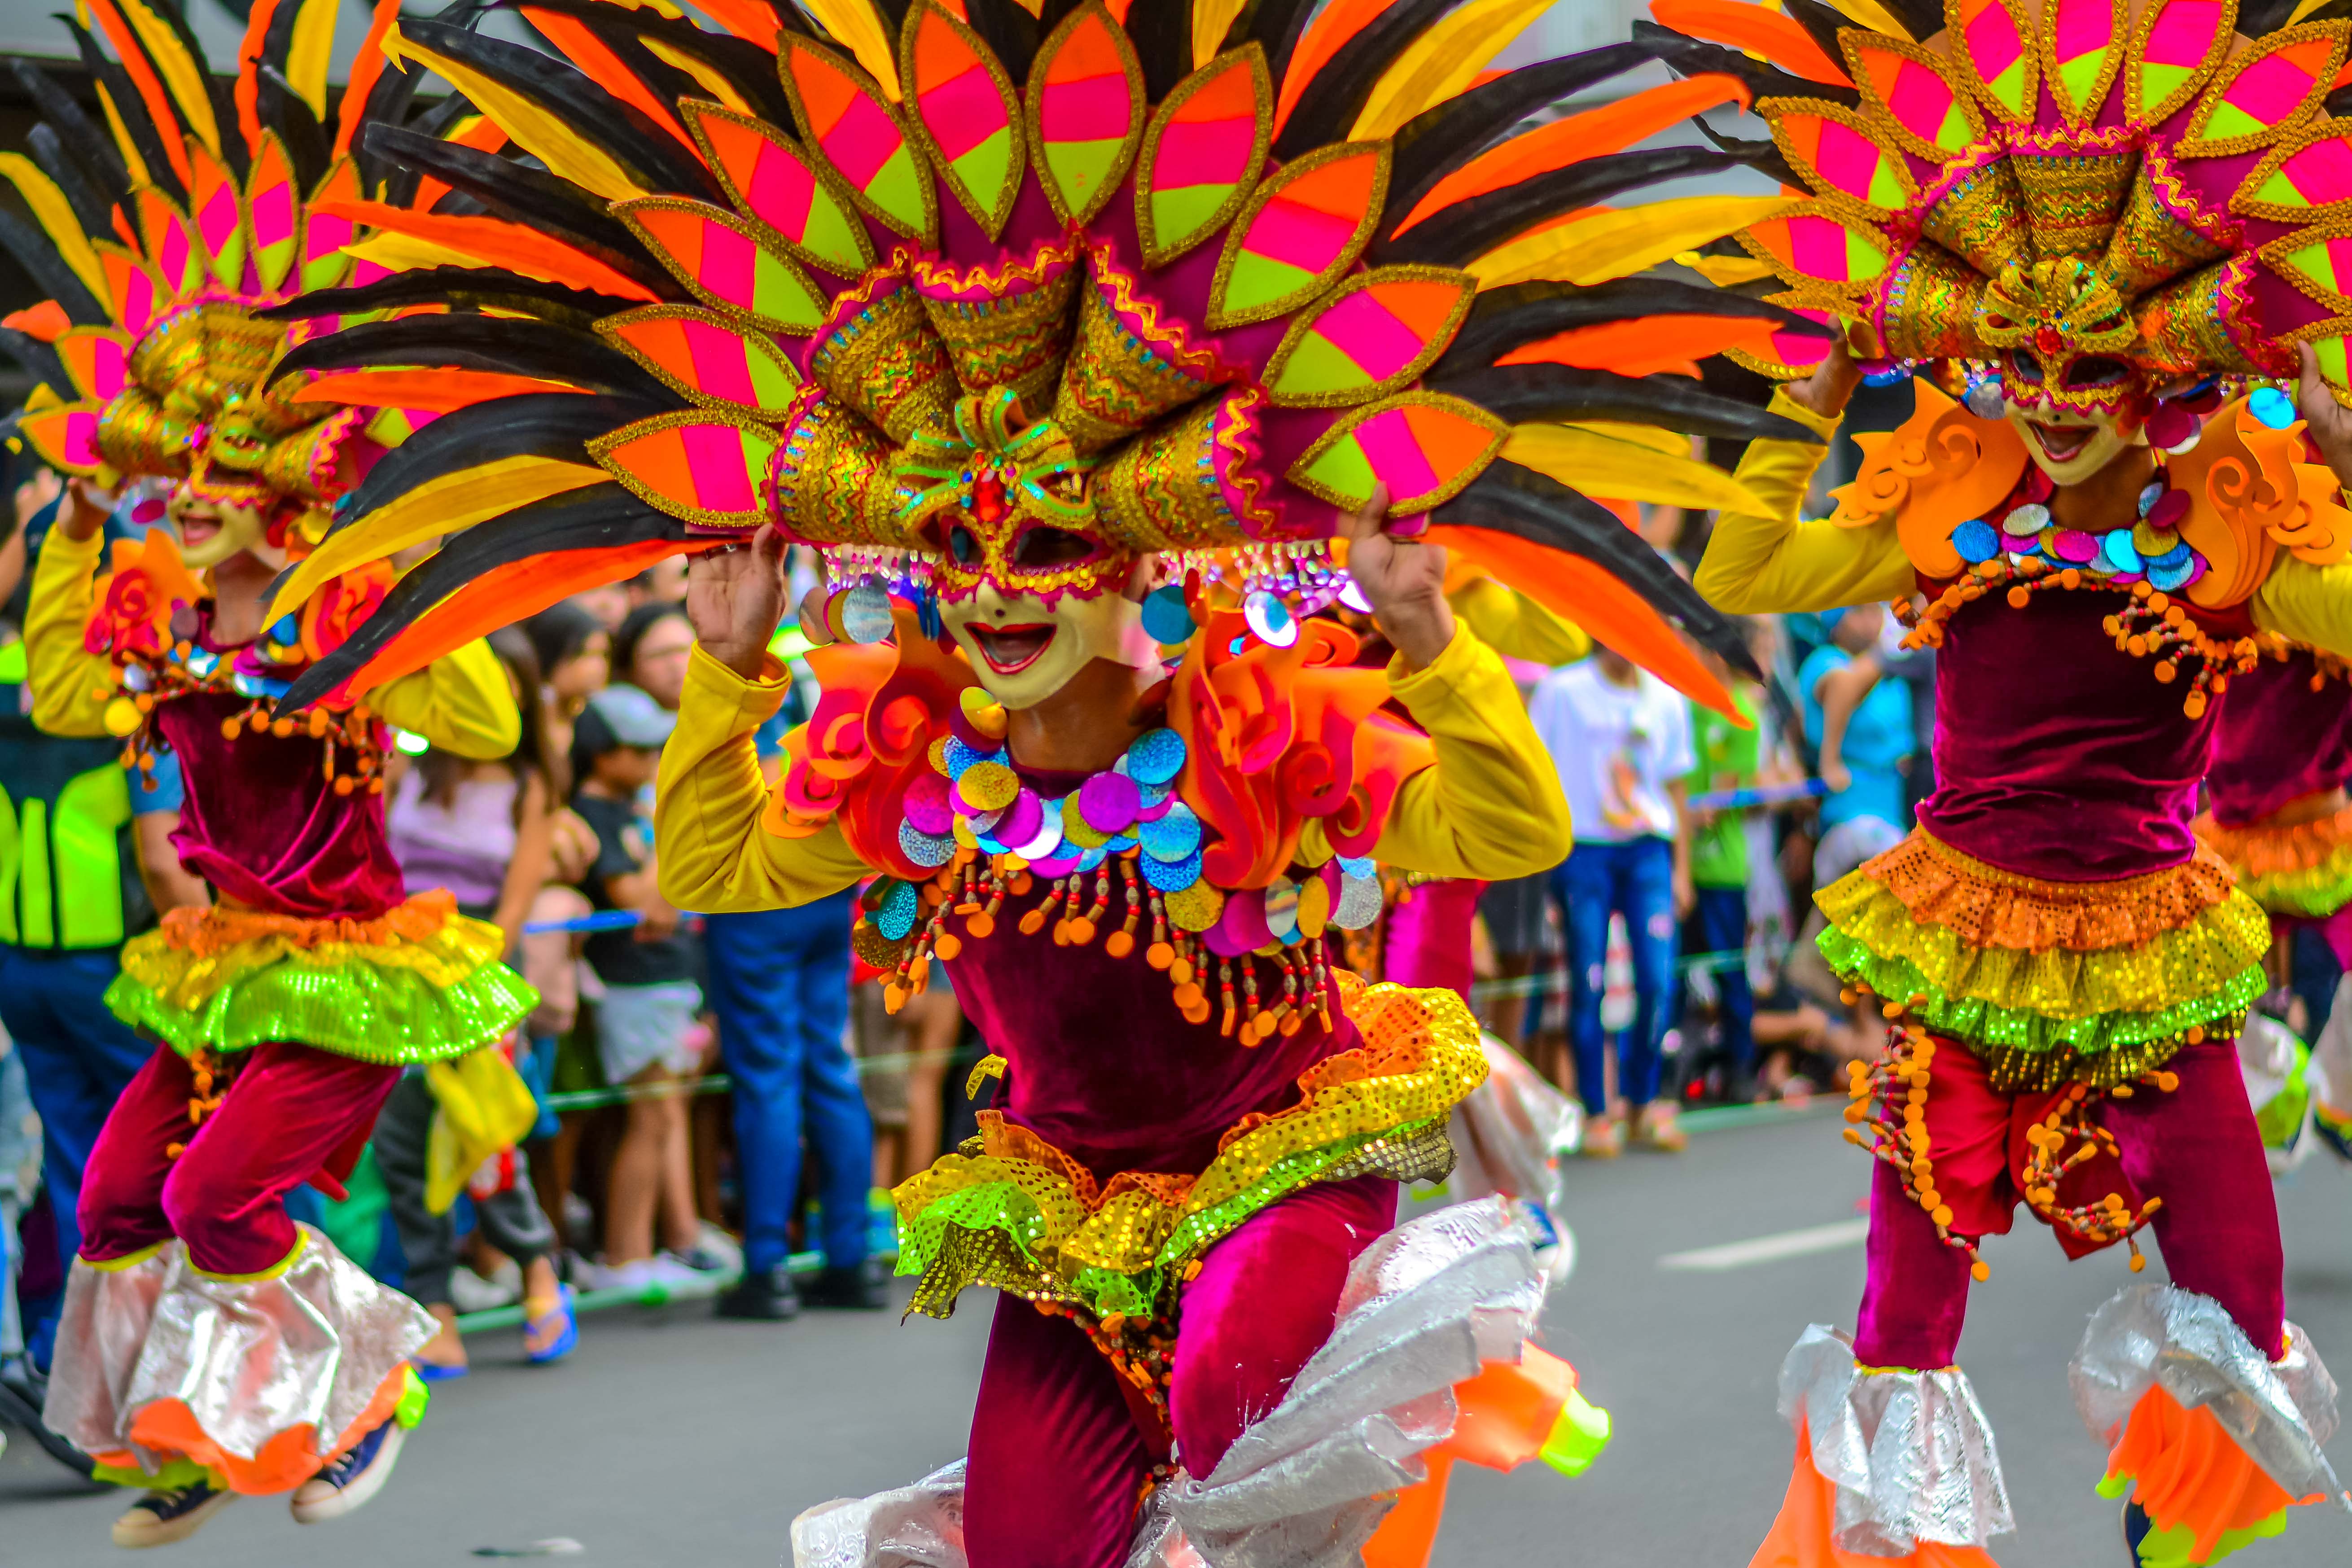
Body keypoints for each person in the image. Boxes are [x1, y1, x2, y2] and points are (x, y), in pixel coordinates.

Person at [262, 5, 1802, 1558]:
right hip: (1068, 1204)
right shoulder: (915, 754)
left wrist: (1428, 637)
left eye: (1047, 546)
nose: (994, 587)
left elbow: (1507, 828)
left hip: (1287, 1158)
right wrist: (727, 675)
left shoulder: (1252, 718)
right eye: (956, 547)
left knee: (1233, 1413)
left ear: (1134, 557)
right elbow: (724, 872)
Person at [1660, 0, 2352, 1553]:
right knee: (1906, 1304)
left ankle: (2177, 1533)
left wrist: (2342, 442)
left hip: (2154, 946)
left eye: (2087, 358)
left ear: (2162, 361)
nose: (2045, 392)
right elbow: (1751, 558)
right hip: (1964, 939)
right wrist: (1816, 399)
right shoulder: (1950, 498)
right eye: (2019, 358)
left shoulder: (2232, 523)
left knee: (2237, 1288)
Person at [7, 16, 534, 1543]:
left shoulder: (349, 614)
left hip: (356, 976)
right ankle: (194, 1435)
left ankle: (359, 1399)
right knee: (115, 1200)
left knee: (210, 1203)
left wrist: (401, 556)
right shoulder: (158, 619)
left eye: (222, 479)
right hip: (223, 967)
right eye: (173, 480)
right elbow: (54, 689)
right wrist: (65, 533)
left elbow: (491, 721)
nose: (191, 502)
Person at [0, 484, 200, 1446]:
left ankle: (65, 1369)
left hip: (20, 967)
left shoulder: (6, 674)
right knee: (152, 1176)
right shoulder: (134, 685)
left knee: (77, 1175)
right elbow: (164, 856)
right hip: (118, 969)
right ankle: (144, 1393)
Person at [377, 629, 576, 1375]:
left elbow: (513, 910)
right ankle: (435, 1305)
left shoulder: (532, 786)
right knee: (402, 1143)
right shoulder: (411, 768)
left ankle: (536, 1268)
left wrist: (461, 984)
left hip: (477, 978)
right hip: (395, 975)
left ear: (521, 693)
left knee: (485, 1136)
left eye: (502, 682)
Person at [1527, 647, 1696, 1154]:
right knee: (1589, 980)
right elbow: (1537, 771)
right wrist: (1544, 865)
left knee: (1657, 979)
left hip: (1647, 849)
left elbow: (1677, 788)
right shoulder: (1563, 690)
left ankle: (1643, 1103)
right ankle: (1597, 1112)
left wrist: (1681, 869)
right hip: (1585, 851)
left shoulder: (1666, 696)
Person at [568, 683, 709, 1293]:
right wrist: (665, 827)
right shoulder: (593, 814)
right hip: (631, 985)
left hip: (664, 982)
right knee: (652, 1119)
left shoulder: (628, 810)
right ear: (601, 752)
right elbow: (645, 903)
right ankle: (625, 1256)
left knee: (662, 1117)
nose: (652, 760)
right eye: (639, 748)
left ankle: (640, 1252)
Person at [1683, 638, 1767, 1103]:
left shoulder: (1740, 712)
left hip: (1720, 867)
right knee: (1671, 975)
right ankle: (1666, 1078)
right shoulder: (1678, 706)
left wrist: (1681, 816)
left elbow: (1719, 796)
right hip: (1675, 863)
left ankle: (1742, 1070)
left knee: (1729, 970)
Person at [1797, 604, 1916, 883]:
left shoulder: (1887, 671)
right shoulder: (1827, 660)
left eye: (1877, 612)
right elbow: (1841, 686)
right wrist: (1830, 760)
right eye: (1860, 612)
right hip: (1850, 816)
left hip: (1896, 812)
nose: (1872, 620)